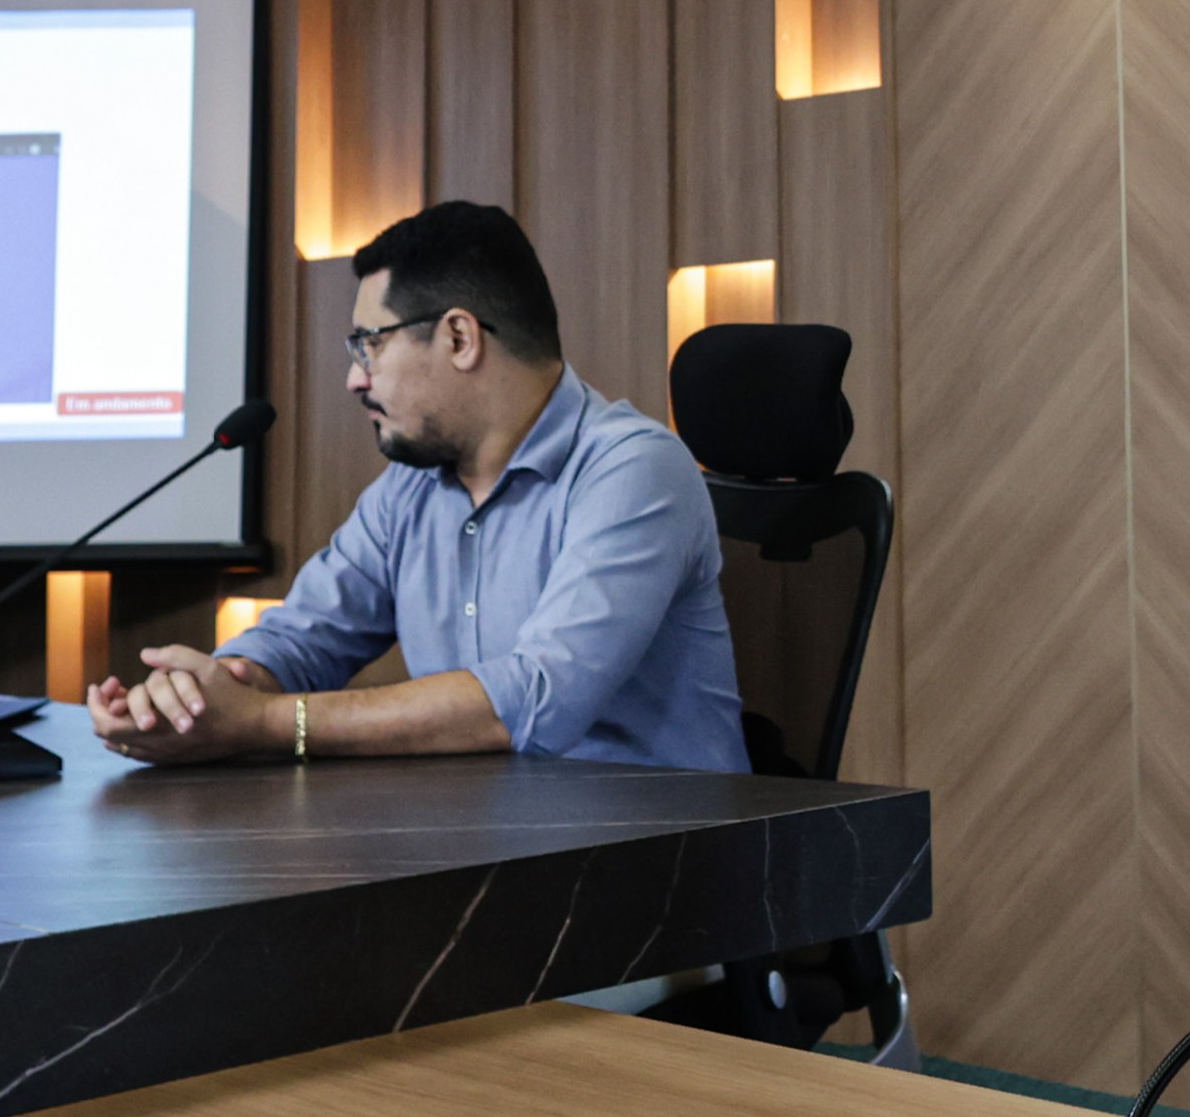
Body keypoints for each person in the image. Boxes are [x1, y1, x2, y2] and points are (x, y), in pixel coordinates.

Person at [85, 200, 748, 774]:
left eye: (369, 345)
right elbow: (303, 638)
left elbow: (537, 697)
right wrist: (197, 698)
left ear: (459, 337)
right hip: (484, 840)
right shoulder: (410, 487)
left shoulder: (634, 470)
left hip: (661, 852)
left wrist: (262, 722)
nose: (355, 378)